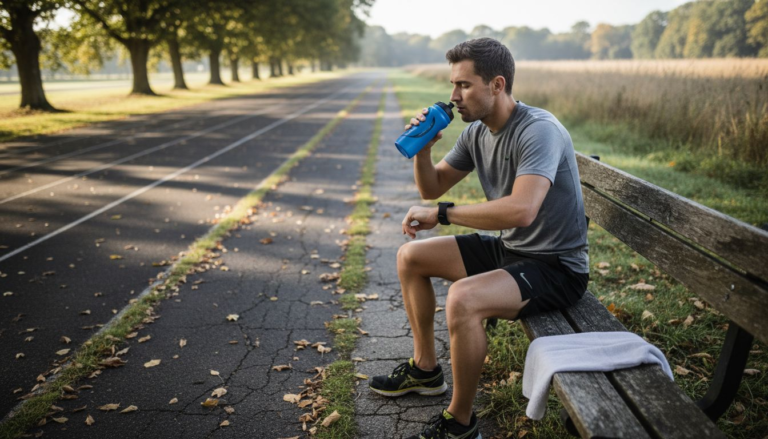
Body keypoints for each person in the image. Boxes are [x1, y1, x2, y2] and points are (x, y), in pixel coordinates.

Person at [369, 38, 590, 439]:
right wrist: (423, 149)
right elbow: (433, 187)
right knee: (411, 258)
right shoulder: (476, 133)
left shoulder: (538, 130)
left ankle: (461, 423)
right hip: (513, 250)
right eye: (453, 85)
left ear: (497, 85)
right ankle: (425, 370)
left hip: (556, 267)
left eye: (464, 86)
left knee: (464, 298)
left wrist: (444, 216)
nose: (454, 97)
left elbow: (522, 210)